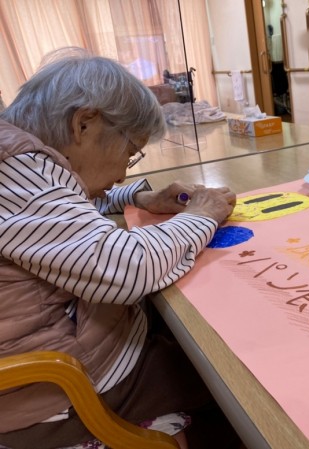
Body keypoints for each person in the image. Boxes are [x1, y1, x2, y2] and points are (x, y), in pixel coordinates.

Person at [0, 47, 238, 449]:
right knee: (229, 378)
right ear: (84, 124)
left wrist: (140, 198)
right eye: (130, 152)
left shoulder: (20, 156)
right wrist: (202, 215)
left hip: (63, 358)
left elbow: (61, 206)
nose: (125, 171)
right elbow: (129, 269)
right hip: (57, 393)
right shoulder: (15, 170)